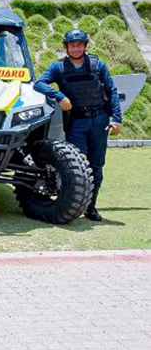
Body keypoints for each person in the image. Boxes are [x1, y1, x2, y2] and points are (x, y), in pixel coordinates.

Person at [34, 29, 122, 221]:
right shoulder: (59, 67)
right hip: (77, 123)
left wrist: (117, 119)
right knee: (77, 166)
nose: (76, 48)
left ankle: (91, 208)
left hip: (99, 121)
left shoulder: (97, 64)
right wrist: (59, 96)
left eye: (80, 44)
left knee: (97, 165)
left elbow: (112, 90)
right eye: (72, 45)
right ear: (66, 47)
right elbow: (39, 83)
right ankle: (74, 206)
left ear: (85, 46)